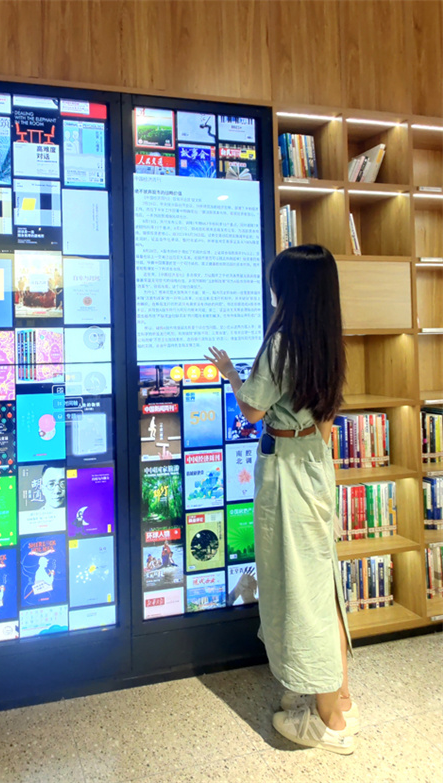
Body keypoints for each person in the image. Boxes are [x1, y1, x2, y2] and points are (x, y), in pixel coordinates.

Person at [205, 244, 357, 755]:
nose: (273, 291)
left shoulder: (282, 342)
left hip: (288, 466)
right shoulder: (326, 339)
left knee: (301, 588)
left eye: (277, 283)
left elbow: (252, 410)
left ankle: (330, 721)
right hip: (314, 461)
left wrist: (232, 376)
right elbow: (326, 418)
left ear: (289, 289)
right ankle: (338, 698)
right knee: (322, 582)